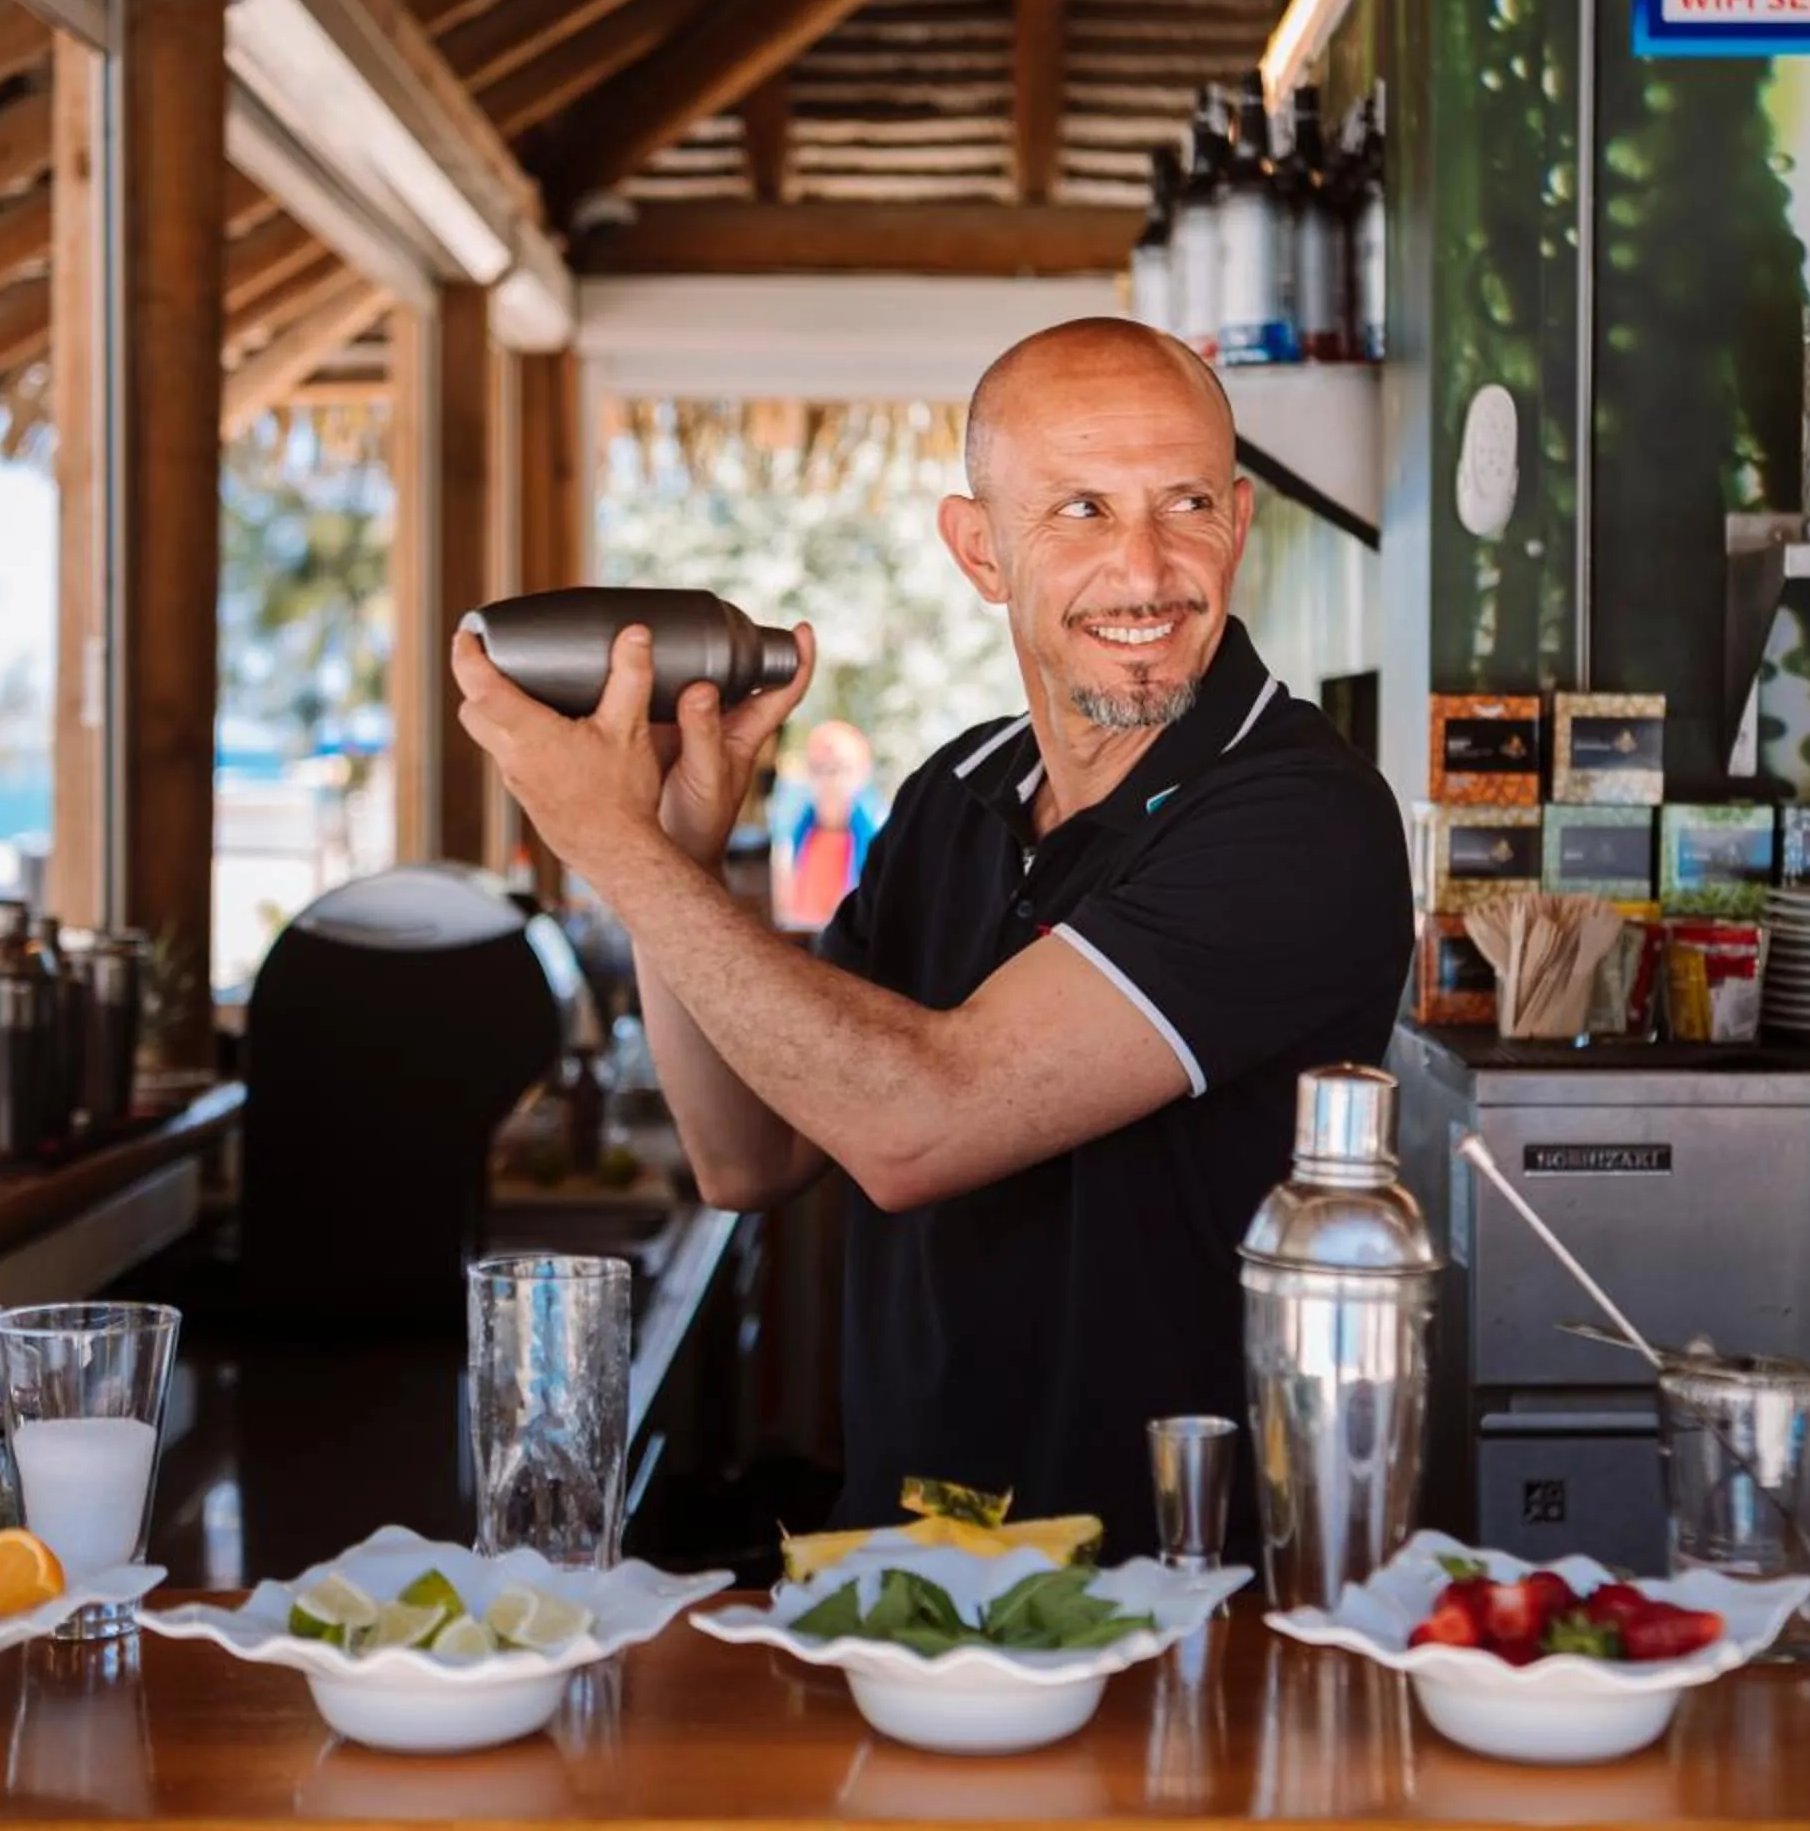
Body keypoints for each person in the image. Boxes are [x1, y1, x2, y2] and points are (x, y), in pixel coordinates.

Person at [451, 317, 1412, 1558]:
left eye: (1183, 504)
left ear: (1237, 520)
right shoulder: (958, 790)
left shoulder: (1300, 814)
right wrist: (675, 856)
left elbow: (917, 1124)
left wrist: (620, 852)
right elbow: (746, 1153)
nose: (1145, 565)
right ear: (979, 550)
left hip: (1163, 1587)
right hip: (907, 1558)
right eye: (1077, 508)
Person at [769, 719, 883, 931]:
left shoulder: (881, 846)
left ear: (862, 772)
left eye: (837, 768)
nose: (827, 779)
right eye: (817, 768)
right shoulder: (789, 839)